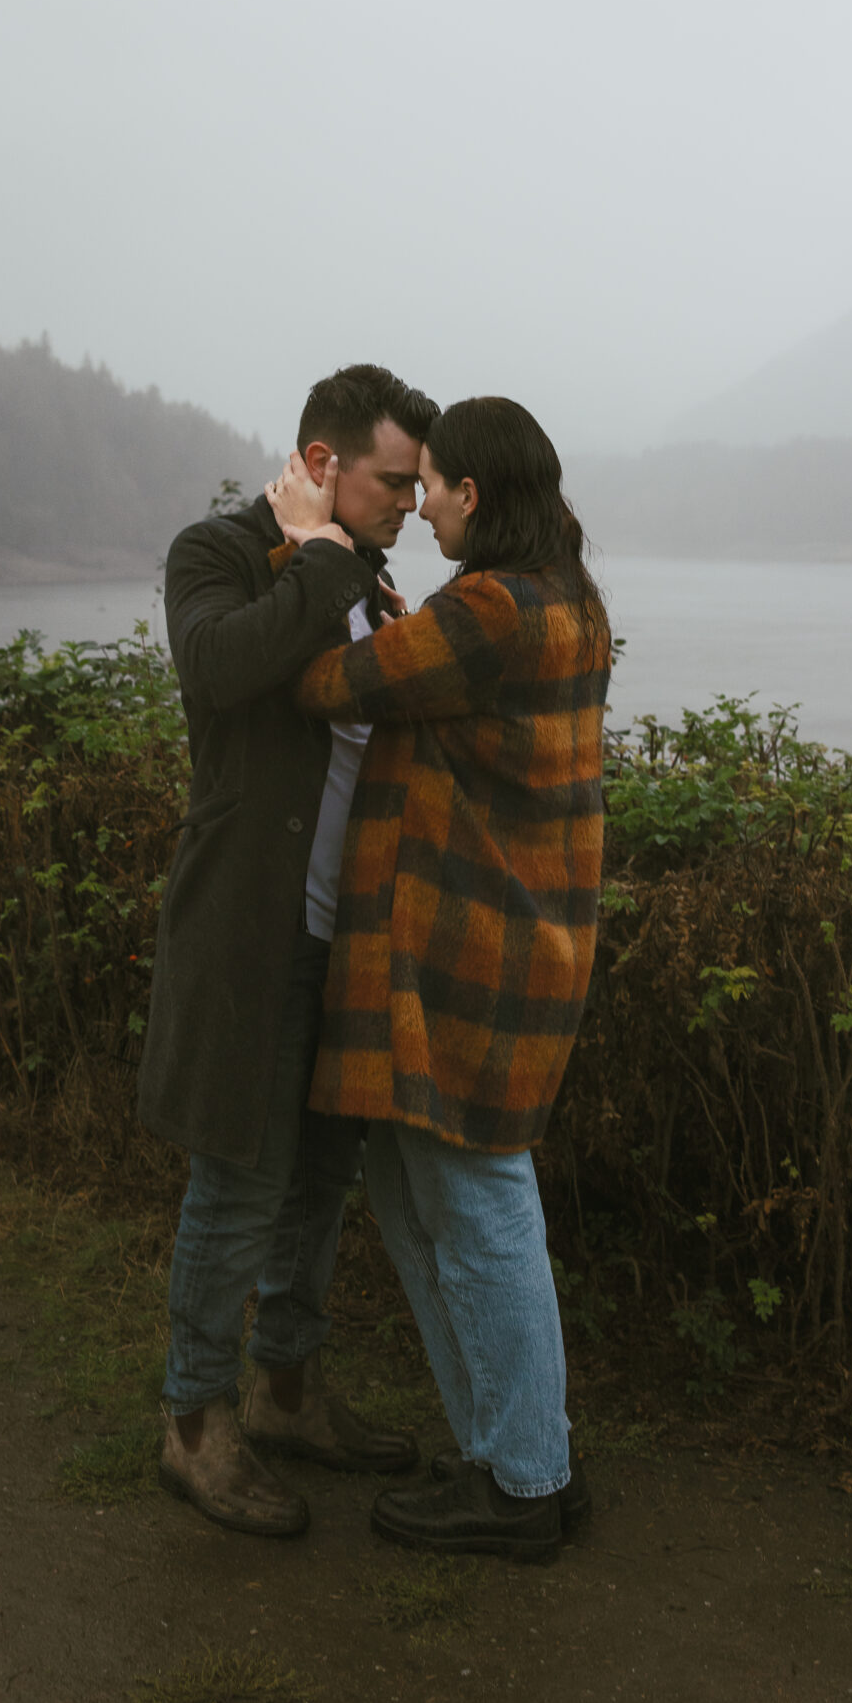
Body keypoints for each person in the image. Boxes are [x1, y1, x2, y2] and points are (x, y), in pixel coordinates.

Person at [280, 395, 611, 1562]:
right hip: (523, 943)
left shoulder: (490, 609)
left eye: (432, 488)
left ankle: (522, 1482)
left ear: (474, 493)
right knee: (442, 1200)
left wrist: (320, 556)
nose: (417, 508)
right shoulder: (565, 596)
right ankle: (515, 1454)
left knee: (475, 1208)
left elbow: (335, 685)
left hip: (469, 956)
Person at [138, 363, 440, 1538]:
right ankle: (196, 1425)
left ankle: (286, 1390)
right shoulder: (213, 552)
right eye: (393, 482)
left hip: (346, 943)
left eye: (419, 488)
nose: (410, 505)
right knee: (239, 1180)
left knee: (318, 1182)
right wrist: (316, 558)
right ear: (323, 465)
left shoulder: (370, 584)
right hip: (249, 932)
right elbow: (218, 672)